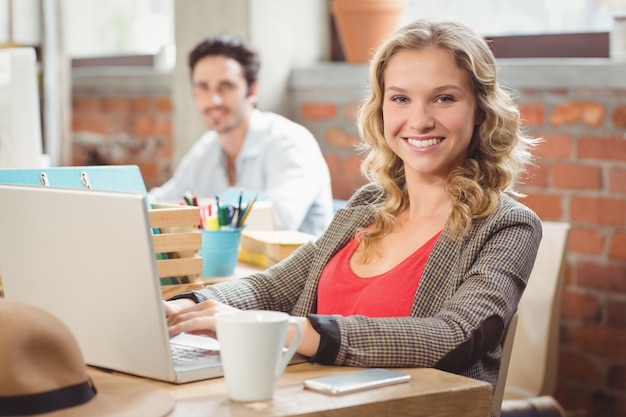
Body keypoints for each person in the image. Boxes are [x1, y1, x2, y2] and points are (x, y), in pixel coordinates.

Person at [165, 17, 542, 395]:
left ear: (480, 109)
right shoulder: (367, 206)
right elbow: (272, 287)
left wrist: (286, 330)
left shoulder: (508, 226)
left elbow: (454, 336)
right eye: (400, 99)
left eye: (444, 98)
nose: (420, 120)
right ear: (381, 110)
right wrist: (182, 307)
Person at [148, 33, 334, 236]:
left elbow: (278, 220)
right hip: (235, 267)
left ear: (252, 90)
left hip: (300, 267)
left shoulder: (291, 143)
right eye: (203, 87)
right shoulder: (206, 148)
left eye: (226, 86)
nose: (214, 100)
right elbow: (159, 203)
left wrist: (195, 211)